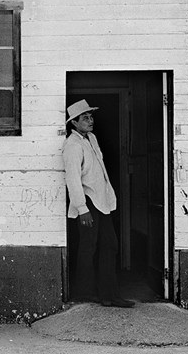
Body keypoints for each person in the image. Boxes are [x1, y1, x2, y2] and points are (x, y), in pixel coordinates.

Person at [63, 99, 135, 308]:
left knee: (109, 246)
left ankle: (109, 295)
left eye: (90, 116)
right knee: (88, 247)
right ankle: (85, 294)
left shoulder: (91, 139)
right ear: (74, 123)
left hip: (101, 202)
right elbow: (73, 179)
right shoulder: (73, 146)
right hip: (89, 204)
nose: (90, 120)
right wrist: (82, 209)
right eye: (84, 118)